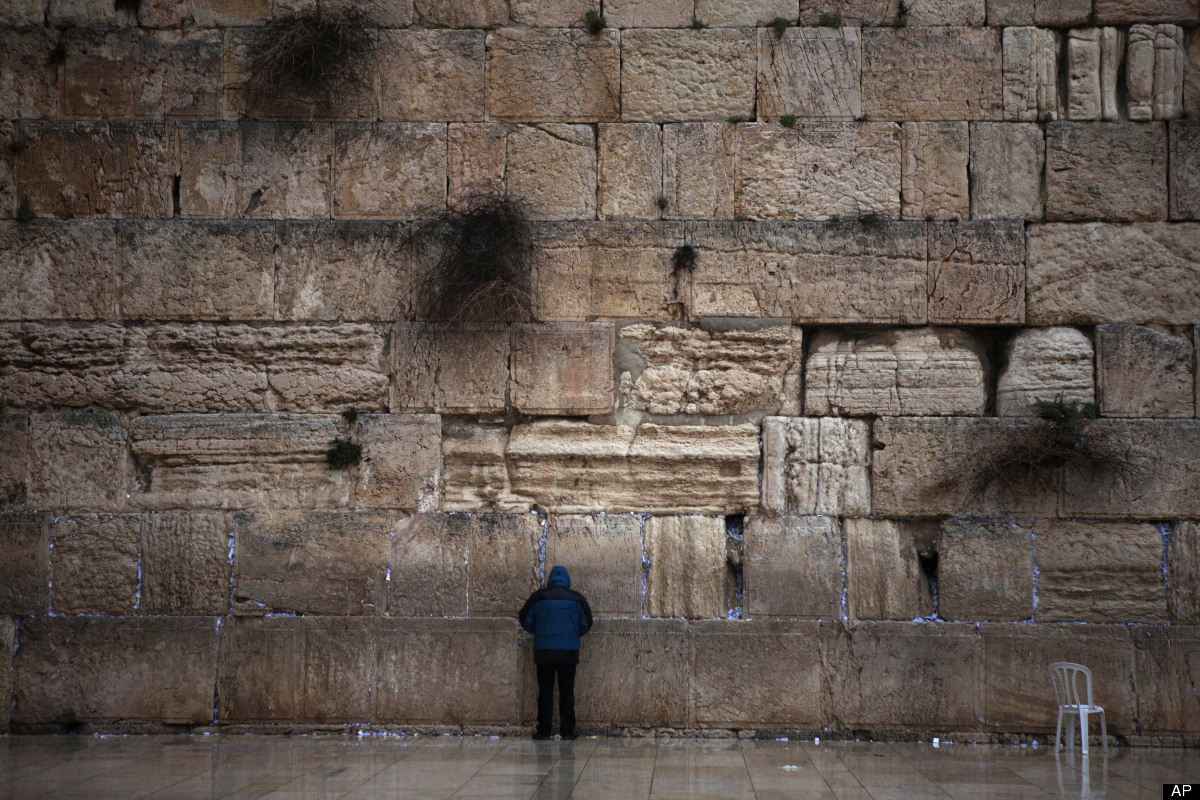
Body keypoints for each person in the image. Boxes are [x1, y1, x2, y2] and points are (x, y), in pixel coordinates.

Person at [518, 565, 593, 740]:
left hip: (544, 652)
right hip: (568, 652)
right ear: (567, 580)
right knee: (567, 692)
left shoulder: (538, 597)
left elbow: (524, 619)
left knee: (545, 691)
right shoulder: (577, 599)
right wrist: (572, 634)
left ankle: (544, 730)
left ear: (550, 579)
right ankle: (567, 731)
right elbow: (586, 623)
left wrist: (539, 631)